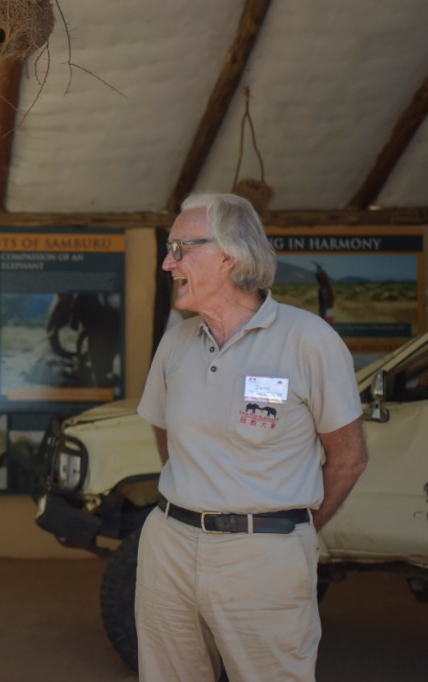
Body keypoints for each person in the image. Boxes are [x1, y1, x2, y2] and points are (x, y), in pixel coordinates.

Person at [135, 193, 368, 681]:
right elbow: (167, 434)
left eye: (180, 248)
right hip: (168, 545)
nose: (166, 262)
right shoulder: (176, 342)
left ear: (229, 255)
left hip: (264, 554)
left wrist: (288, 531)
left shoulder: (309, 340)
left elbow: (348, 458)